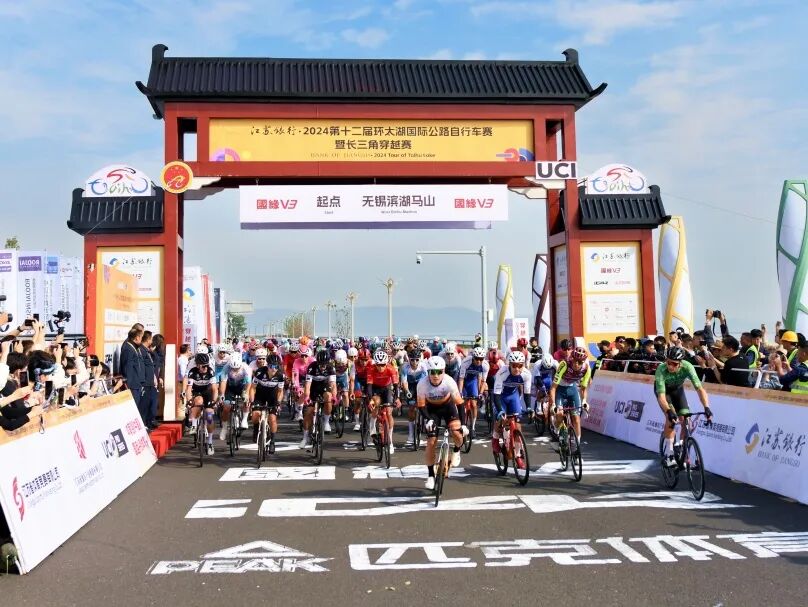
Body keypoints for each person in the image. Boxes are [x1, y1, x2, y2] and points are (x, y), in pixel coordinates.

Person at [654, 346, 713, 468]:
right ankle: (669, 454)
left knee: (686, 421)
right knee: (671, 419)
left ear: (680, 363)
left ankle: (681, 447)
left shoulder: (688, 367)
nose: (670, 366)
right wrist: (669, 411)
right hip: (665, 392)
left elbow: (699, 389)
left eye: (674, 364)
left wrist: (706, 407)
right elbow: (661, 396)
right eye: (668, 362)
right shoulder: (661, 369)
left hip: (677, 390)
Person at [417, 356, 464, 490]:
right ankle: (431, 475)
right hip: (431, 410)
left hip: (448, 406)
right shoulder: (422, 384)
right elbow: (421, 406)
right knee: (431, 442)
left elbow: (460, 404)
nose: (436, 375)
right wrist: (428, 419)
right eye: (432, 372)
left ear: (444, 371)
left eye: (439, 372)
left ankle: (457, 450)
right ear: (428, 372)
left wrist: (464, 425)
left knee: (457, 432)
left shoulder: (449, 382)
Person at [491, 350, 531, 468]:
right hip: (501, 397)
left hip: (513, 396)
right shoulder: (502, 372)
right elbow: (496, 395)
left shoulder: (526, 374)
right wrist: (500, 410)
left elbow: (527, 393)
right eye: (514, 366)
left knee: (517, 426)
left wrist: (529, 407)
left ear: (523, 365)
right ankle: (495, 439)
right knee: (500, 419)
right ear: (509, 365)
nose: (517, 369)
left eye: (520, 366)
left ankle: (518, 456)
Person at [548, 347, 591, 448]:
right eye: (575, 360)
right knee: (559, 414)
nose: (576, 364)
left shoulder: (586, 369)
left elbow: (583, 388)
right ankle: (556, 427)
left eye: (580, 362)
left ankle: (577, 445)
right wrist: (553, 404)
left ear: (583, 362)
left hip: (572, 389)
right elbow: (553, 388)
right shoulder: (564, 364)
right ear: (572, 358)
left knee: (576, 418)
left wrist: (584, 401)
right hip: (560, 389)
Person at [301, 348, 337, 448]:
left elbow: (333, 385)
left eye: (324, 364)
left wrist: (334, 396)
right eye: (321, 364)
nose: (322, 366)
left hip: (324, 386)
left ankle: (326, 422)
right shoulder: (311, 367)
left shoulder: (331, 368)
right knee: (308, 412)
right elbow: (307, 385)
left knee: (328, 397)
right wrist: (307, 396)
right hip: (313, 387)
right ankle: (305, 438)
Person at [366, 349, 400, 451]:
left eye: (383, 365)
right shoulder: (371, 369)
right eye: (378, 365)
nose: (380, 367)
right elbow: (369, 387)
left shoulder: (390, 368)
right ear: (375, 364)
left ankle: (390, 440)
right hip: (375, 388)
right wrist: (370, 400)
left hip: (386, 388)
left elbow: (396, 385)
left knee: (389, 412)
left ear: (386, 363)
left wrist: (397, 398)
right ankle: (372, 429)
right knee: (376, 403)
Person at [185, 352, 219, 455]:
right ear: (197, 365)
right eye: (203, 366)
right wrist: (189, 400)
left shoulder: (210, 372)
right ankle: (194, 424)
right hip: (197, 392)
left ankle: (210, 442)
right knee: (198, 400)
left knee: (209, 416)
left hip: (207, 392)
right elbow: (189, 389)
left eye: (207, 365)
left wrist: (214, 401)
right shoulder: (192, 372)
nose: (205, 367)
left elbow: (214, 389)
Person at [248, 352, 285, 445]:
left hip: (272, 396)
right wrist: (251, 401)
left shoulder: (280, 375)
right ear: (267, 365)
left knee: (272, 419)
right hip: (260, 394)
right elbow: (253, 388)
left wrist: (278, 402)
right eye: (271, 366)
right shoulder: (260, 372)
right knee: (255, 414)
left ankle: (272, 441)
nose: (274, 369)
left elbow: (280, 391)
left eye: (276, 367)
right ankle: (256, 429)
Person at [218, 351, 252, 440]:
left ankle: (244, 419)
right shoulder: (226, 367)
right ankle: (224, 428)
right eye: (233, 368)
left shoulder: (246, 368)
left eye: (237, 368)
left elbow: (249, 383)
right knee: (226, 407)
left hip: (242, 387)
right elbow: (223, 382)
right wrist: (222, 395)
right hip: (230, 388)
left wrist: (246, 393)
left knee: (246, 400)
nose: (235, 370)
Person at [457, 346, 488, 438]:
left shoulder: (485, 365)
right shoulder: (466, 362)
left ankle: (473, 427)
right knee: (462, 402)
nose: (478, 361)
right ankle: (462, 423)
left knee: (474, 404)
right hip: (464, 380)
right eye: (476, 359)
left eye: (481, 359)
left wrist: (480, 393)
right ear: (473, 357)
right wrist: (460, 393)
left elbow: (483, 381)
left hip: (472, 380)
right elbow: (461, 379)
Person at [400, 348, 427, 447]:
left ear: (420, 359)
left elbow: (427, 380)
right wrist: (407, 391)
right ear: (409, 359)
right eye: (412, 360)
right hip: (410, 386)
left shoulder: (423, 366)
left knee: (424, 404)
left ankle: (424, 421)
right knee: (411, 408)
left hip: (421, 384)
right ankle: (411, 436)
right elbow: (404, 382)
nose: (414, 362)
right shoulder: (405, 367)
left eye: (417, 360)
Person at [121, 326, 145, 415]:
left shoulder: (133, 348)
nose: (142, 340)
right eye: (141, 337)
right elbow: (128, 369)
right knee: (132, 411)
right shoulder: (128, 349)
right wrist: (128, 386)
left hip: (137, 384)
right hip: (132, 386)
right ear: (137, 337)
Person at [139, 331, 158, 428]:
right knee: (143, 406)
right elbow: (141, 367)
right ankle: (143, 425)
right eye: (151, 338)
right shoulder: (141, 351)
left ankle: (148, 423)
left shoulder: (147, 351)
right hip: (145, 383)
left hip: (150, 382)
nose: (152, 341)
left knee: (149, 404)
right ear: (148, 339)